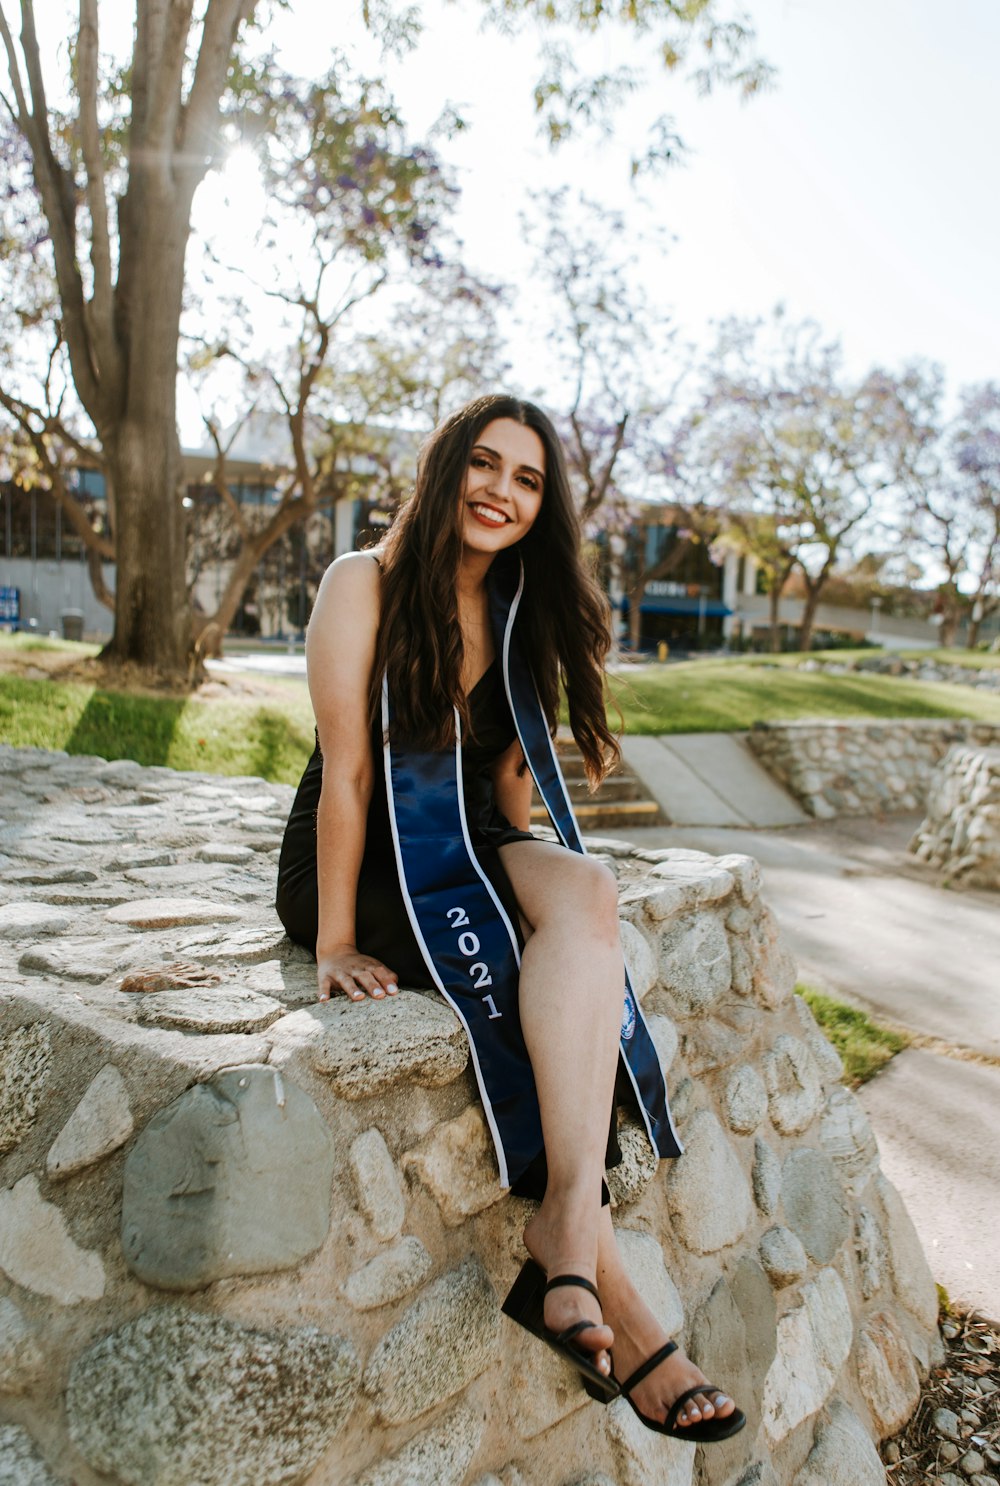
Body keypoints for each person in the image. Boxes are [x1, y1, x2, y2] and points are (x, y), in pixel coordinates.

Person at [276, 394, 744, 1442]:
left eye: (526, 479)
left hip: (472, 843)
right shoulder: (364, 582)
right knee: (518, 962)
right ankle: (619, 1307)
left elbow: (508, 788)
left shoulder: (527, 605)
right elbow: (349, 773)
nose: (501, 491)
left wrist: (543, 899)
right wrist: (337, 941)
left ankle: (565, 1227)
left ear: (543, 506)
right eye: (484, 465)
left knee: (585, 893)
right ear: (448, 472)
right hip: (369, 852)